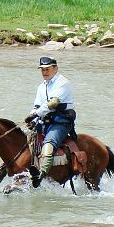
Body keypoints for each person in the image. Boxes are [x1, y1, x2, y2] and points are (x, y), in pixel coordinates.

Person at [24, 56, 76, 187]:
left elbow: (53, 103)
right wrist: (31, 117)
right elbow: (37, 106)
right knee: (25, 140)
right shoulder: (42, 86)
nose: (44, 72)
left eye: (47, 69)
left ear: (55, 69)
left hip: (61, 123)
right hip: (45, 122)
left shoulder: (62, 83)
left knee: (48, 145)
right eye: (42, 70)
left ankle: (40, 176)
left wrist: (35, 114)